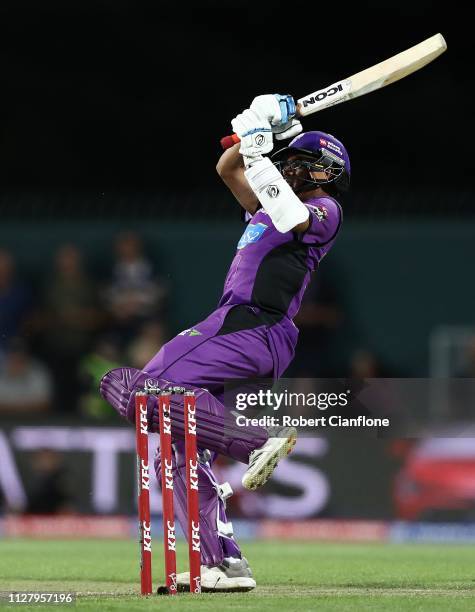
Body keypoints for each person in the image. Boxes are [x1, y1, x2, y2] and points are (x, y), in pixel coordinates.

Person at [100, 94, 350, 592]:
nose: (292, 168)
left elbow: (288, 213)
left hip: (251, 324)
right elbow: (227, 169)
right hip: (249, 333)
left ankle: (254, 441)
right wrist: (257, 129)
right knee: (174, 450)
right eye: (289, 160)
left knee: (133, 386)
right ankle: (223, 563)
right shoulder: (265, 201)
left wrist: (261, 155)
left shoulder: (324, 209)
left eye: (301, 163)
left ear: (325, 172)